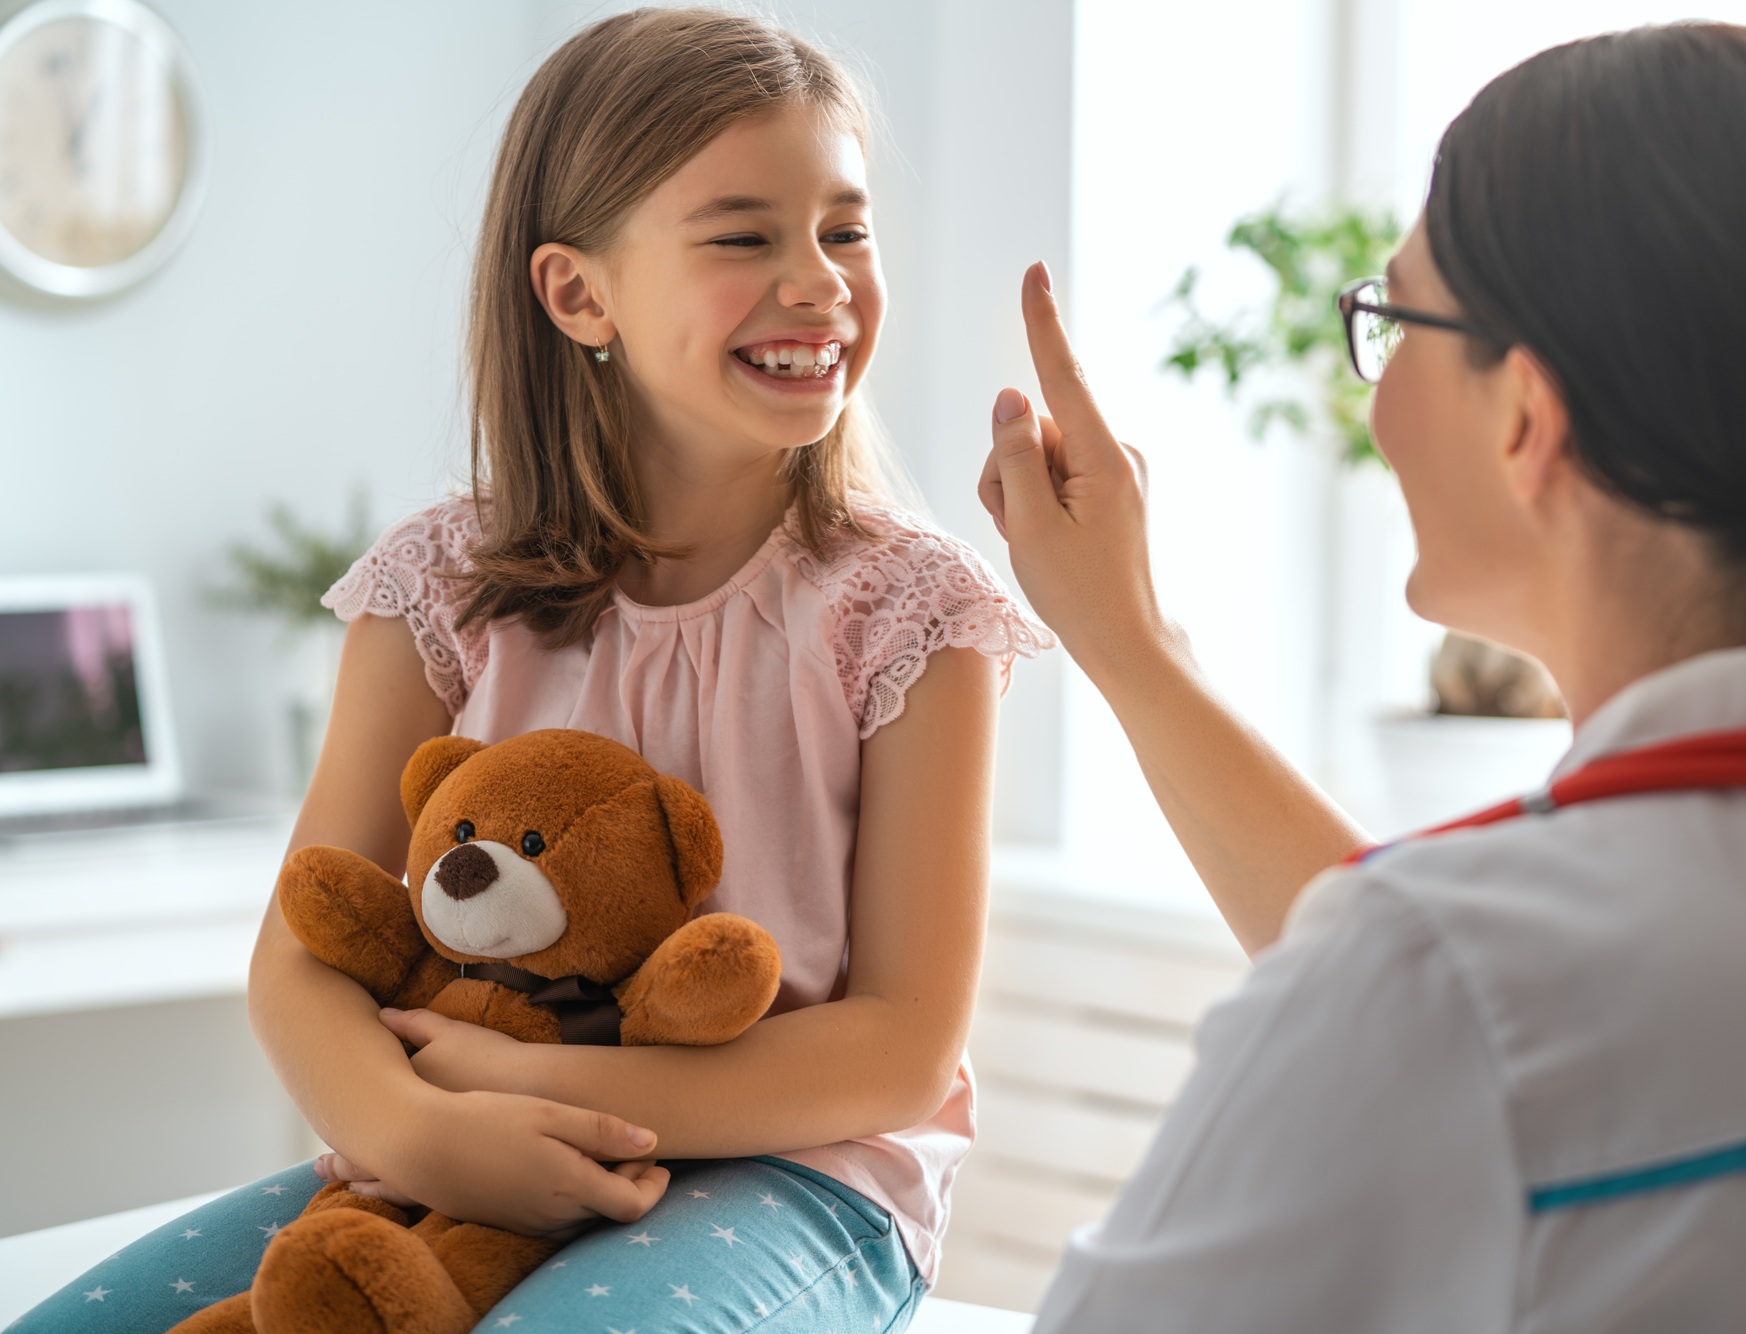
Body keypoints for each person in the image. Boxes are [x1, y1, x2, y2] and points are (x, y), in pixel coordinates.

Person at [16, 10, 1046, 1333]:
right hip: (447, 1155)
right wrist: (415, 1126)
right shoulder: (437, 588)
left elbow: (901, 1041)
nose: (821, 282)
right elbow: (300, 957)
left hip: (800, 1178)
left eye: (845, 228)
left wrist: (518, 1088)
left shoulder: (915, 611)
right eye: (745, 235)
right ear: (577, 292)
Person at [980, 22, 1746, 1331]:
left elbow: (1451, 1003)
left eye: (1396, 321)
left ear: (1524, 414)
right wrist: (1131, 646)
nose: (1377, 398)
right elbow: (1491, 1008)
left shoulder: (1440, 975)